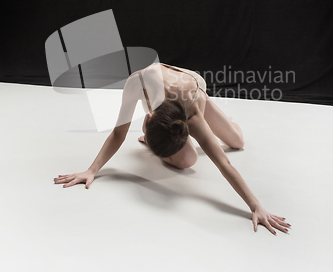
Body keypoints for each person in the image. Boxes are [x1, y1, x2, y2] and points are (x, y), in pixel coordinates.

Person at [54, 62, 291, 235]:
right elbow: (118, 133)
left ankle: (222, 122)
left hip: (192, 87)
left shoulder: (193, 114)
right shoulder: (136, 84)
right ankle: (153, 138)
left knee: (237, 142)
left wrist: (256, 206)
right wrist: (92, 170)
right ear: (149, 116)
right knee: (188, 160)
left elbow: (224, 163)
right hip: (166, 93)